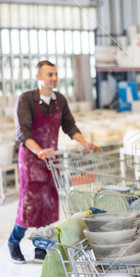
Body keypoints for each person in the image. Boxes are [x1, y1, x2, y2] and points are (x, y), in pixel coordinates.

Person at [7, 60, 95, 263]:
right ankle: (14, 241)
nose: (54, 78)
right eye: (49, 74)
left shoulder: (59, 100)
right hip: (31, 159)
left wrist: (85, 142)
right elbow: (23, 132)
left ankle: (39, 246)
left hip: (50, 160)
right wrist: (39, 152)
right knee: (30, 205)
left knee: (48, 205)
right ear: (38, 77)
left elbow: (69, 125)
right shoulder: (26, 99)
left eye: (55, 74)